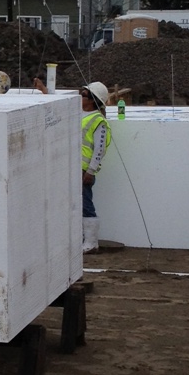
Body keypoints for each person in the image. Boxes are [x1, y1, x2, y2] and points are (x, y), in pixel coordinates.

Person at [80, 80, 110, 252]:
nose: (80, 97)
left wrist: (90, 171)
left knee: (85, 204)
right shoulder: (79, 114)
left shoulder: (98, 120)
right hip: (74, 167)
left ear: (92, 100)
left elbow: (100, 149)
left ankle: (91, 242)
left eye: (84, 95)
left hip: (84, 170)